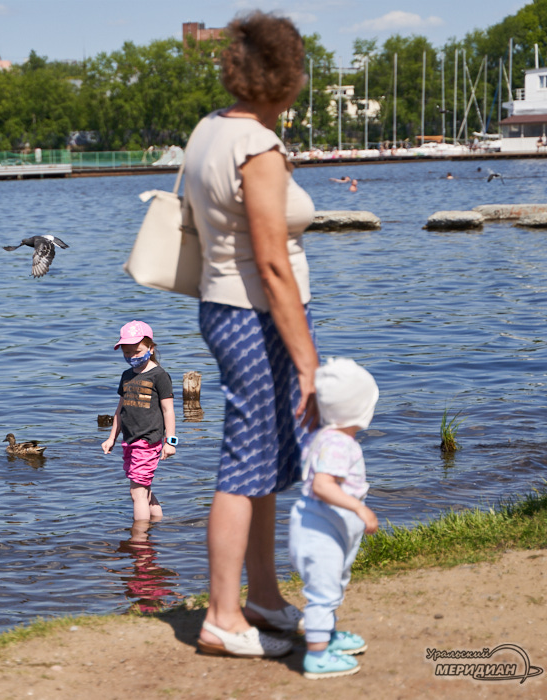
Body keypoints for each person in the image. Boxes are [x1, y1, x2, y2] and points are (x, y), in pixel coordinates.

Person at [181, 10, 317, 659]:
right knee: (242, 463)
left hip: (220, 305)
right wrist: (307, 360)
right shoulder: (257, 148)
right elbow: (270, 264)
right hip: (254, 312)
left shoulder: (209, 130)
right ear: (284, 75)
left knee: (258, 458)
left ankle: (259, 595)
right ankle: (222, 615)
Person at [289, 357, 378, 679]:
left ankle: (326, 635)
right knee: (323, 593)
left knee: (333, 585)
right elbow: (322, 485)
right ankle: (317, 655)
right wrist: (359, 507)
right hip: (321, 533)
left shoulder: (328, 435)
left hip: (329, 530)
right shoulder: (339, 444)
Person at [101, 321, 176, 523]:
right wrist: (111, 438)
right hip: (129, 439)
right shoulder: (126, 376)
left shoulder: (159, 376)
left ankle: (139, 540)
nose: (132, 357)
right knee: (144, 489)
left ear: (151, 348)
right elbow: (120, 410)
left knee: (137, 492)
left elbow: (168, 410)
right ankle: (157, 523)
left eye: (137, 351)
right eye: (127, 353)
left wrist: (171, 441)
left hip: (148, 440)